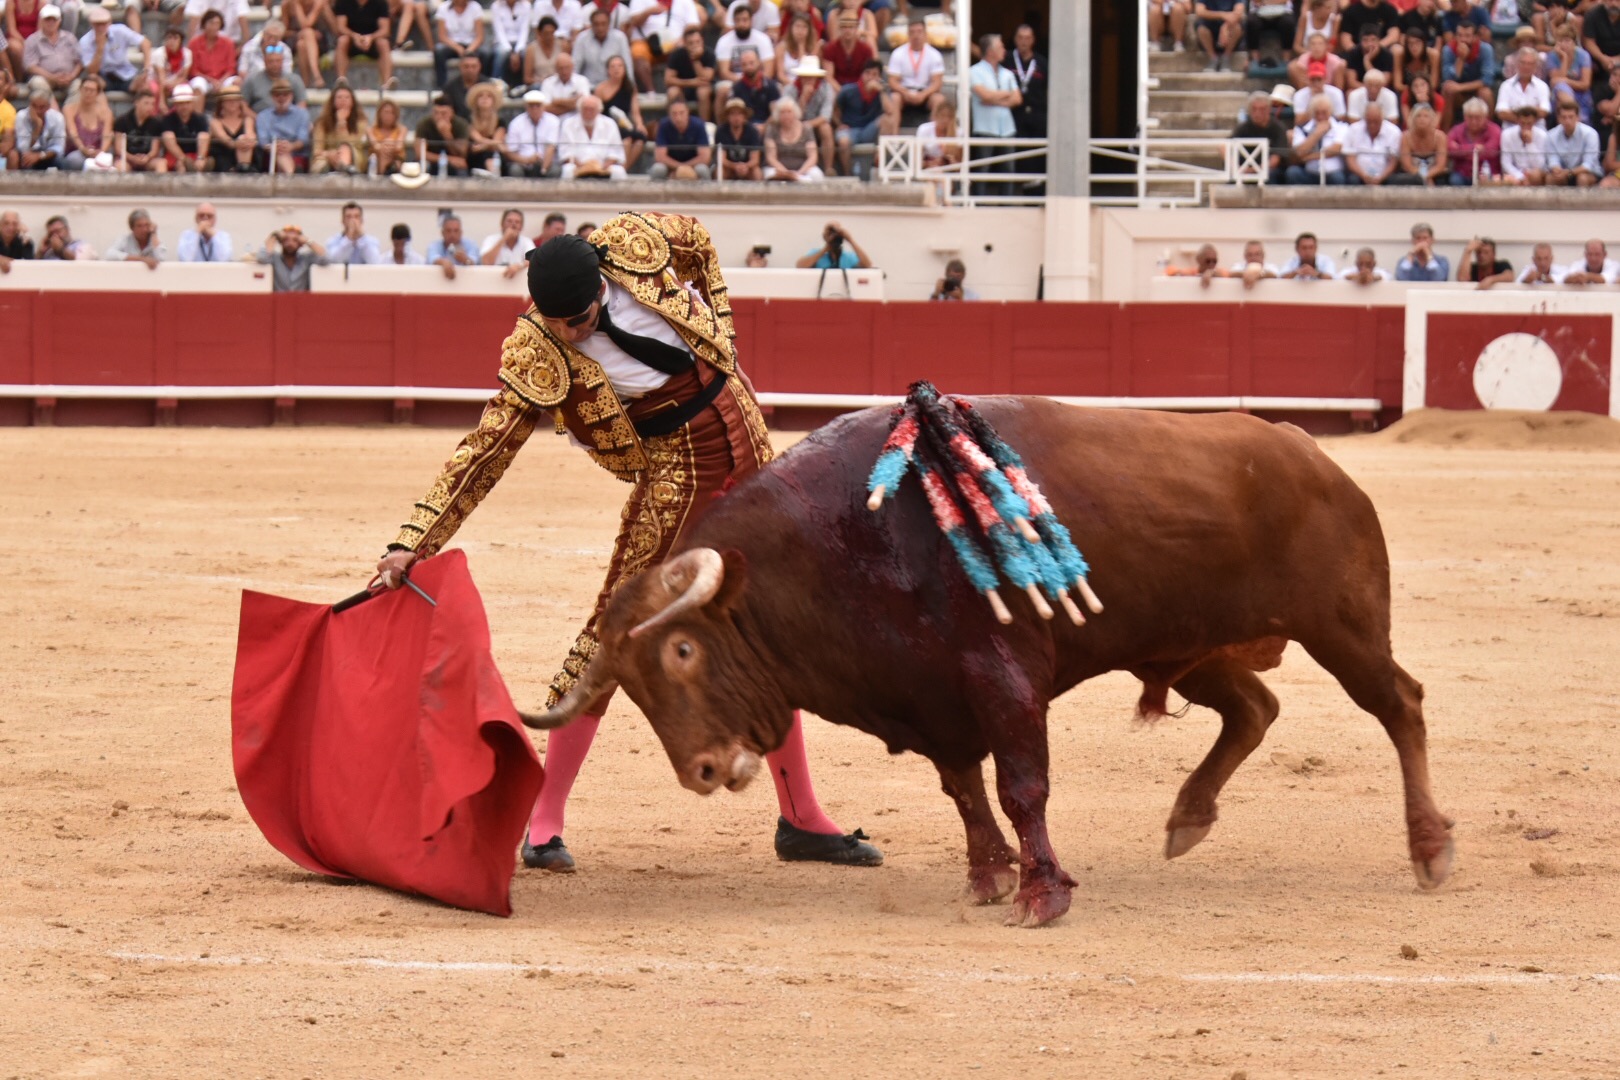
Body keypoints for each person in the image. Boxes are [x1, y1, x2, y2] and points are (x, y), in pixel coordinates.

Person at [373, 213, 884, 874]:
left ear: (600, 287)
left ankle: (803, 820)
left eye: (582, 320)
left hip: (750, 444)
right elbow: (486, 451)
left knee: (770, 629)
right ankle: (544, 823)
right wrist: (414, 539)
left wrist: (723, 333)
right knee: (615, 632)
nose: (573, 334)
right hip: (679, 473)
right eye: (560, 326)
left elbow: (699, 240)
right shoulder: (539, 347)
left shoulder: (632, 247)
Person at [967, 35, 1019, 193]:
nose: (1004, 51)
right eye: (1001, 47)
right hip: (985, 127)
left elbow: (1017, 99)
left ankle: (1007, 205)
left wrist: (995, 99)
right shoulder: (974, 71)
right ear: (991, 51)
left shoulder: (1007, 74)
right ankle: (979, 205)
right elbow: (984, 96)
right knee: (982, 169)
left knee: (1008, 170)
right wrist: (1005, 94)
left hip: (1007, 128)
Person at [885, 17, 942, 129]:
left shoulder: (934, 54)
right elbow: (892, 81)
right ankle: (894, 141)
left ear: (925, 34)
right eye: (912, 32)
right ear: (908, 34)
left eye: (919, 32)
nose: (916, 36)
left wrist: (923, 94)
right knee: (894, 98)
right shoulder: (898, 53)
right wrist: (905, 92)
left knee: (939, 99)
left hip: (926, 93)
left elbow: (937, 82)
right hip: (904, 92)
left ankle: (933, 140)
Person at [78, 5, 147, 92]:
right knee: (92, 81)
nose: (100, 27)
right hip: (103, 76)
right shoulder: (85, 41)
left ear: (109, 22)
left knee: (144, 85)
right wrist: (100, 48)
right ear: (92, 24)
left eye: (103, 23)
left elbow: (145, 43)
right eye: (97, 24)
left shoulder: (120, 31)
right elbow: (92, 71)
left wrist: (147, 68)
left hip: (125, 73)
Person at [557, 92, 627, 178]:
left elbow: (616, 153)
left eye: (592, 109)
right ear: (580, 110)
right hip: (578, 166)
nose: (588, 113)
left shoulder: (609, 124)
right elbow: (566, 153)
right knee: (567, 169)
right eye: (585, 109)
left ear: (599, 110)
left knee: (619, 172)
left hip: (603, 167)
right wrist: (582, 166)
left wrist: (602, 167)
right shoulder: (568, 124)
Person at [595, 53, 646, 169]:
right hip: (607, 125)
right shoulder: (601, 89)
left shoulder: (630, 87)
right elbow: (597, 112)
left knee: (640, 139)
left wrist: (639, 124)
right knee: (627, 140)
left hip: (624, 124)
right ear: (608, 70)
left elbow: (635, 111)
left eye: (619, 66)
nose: (616, 69)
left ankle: (625, 168)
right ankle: (621, 169)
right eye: (613, 67)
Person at [1440, 21, 1495, 127]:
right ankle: (1447, 133)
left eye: (1467, 36)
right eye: (1460, 35)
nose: (1463, 39)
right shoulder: (1448, 49)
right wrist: (1461, 58)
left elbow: (1487, 80)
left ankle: (1488, 130)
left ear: (1475, 37)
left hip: (1476, 91)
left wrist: (1460, 87)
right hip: (1458, 95)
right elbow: (1448, 78)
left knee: (1486, 92)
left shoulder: (1485, 49)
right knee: (1447, 89)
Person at [1286, 92, 1349, 183]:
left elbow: (1336, 148)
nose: (1320, 117)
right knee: (1292, 173)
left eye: (1324, 113)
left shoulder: (1341, 126)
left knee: (1337, 178)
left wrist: (1309, 157)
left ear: (1330, 112)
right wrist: (1316, 134)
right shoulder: (1301, 128)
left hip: (1333, 173)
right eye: (1317, 113)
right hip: (1310, 172)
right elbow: (1299, 152)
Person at [1233, 90, 1290, 184]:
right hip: (1245, 168)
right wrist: (1236, 167)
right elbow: (1224, 146)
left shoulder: (1278, 128)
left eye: (1262, 109)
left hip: (1269, 169)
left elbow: (1276, 159)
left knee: (1271, 176)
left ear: (1269, 109)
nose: (1257, 113)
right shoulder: (1244, 127)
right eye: (1254, 109)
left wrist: (1255, 170)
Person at [650, 93, 711, 178]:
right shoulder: (663, 125)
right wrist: (679, 167)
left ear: (688, 112)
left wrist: (685, 167)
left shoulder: (698, 125)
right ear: (669, 114)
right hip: (670, 165)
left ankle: (707, 191)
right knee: (658, 169)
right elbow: (660, 156)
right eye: (674, 114)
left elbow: (705, 156)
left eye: (681, 113)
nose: (678, 118)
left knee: (702, 169)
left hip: (693, 164)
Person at [257, 77, 312, 173]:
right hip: (271, 154)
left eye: (285, 94)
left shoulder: (302, 114)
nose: (281, 98)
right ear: (272, 96)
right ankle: (291, 178)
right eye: (277, 95)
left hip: (296, 152)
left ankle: (290, 177)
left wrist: (291, 146)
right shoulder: (263, 116)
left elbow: (303, 139)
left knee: (283, 152)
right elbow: (263, 141)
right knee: (280, 152)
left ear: (291, 95)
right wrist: (275, 147)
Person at [334, 0, 393, 87]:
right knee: (342, 40)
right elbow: (341, 27)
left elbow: (385, 29)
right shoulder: (343, 2)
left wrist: (371, 37)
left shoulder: (381, 3)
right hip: (351, 40)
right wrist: (354, 36)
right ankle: (341, 80)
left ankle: (386, 83)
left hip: (373, 41)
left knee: (383, 43)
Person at [60, 72, 112, 170]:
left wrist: (101, 151)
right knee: (74, 160)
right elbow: (72, 132)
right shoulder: (69, 109)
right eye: (85, 89)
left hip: (98, 151)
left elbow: (107, 135)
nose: (88, 93)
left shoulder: (106, 113)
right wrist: (82, 148)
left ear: (97, 93)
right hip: (77, 151)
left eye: (92, 90)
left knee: (105, 161)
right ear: (80, 90)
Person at [253, 225, 328, 291]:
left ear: (300, 244)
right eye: (286, 240)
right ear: (281, 242)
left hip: (302, 304)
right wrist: (275, 236)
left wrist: (308, 241)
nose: (290, 243)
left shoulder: (306, 259)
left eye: (295, 240)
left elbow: (325, 259)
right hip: (279, 304)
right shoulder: (274, 258)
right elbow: (262, 258)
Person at [762, 95, 820, 180]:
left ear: (795, 113)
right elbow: (771, 158)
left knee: (816, 175)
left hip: (802, 170)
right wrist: (786, 173)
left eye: (789, 112)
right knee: (770, 175)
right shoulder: (772, 129)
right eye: (783, 112)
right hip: (779, 170)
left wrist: (799, 173)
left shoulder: (806, 129)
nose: (786, 115)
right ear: (778, 115)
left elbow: (812, 156)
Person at [1390, 101, 1450, 182]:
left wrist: (1427, 176)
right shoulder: (1405, 137)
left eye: (1426, 116)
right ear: (1413, 119)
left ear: (1432, 119)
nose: (1422, 119)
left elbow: (1440, 165)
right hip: (1412, 175)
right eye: (1418, 116)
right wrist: (1422, 178)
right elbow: (1407, 165)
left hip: (1435, 175)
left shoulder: (1440, 137)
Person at [665, 25, 716, 120]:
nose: (694, 46)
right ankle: (676, 123)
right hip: (684, 88)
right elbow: (668, 79)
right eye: (690, 43)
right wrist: (691, 82)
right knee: (672, 92)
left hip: (704, 90)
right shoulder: (677, 54)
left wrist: (695, 59)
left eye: (697, 42)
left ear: (702, 40)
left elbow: (706, 78)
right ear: (684, 43)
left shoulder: (709, 53)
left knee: (703, 91)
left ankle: (704, 126)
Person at [1007, 23, 1047, 147]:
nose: (1024, 42)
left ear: (1033, 40)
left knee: (1036, 156)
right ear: (1015, 39)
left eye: (1027, 38)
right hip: (1014, 115)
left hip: (1037, 116)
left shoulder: (1042, 62)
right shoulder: (1006, 59)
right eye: (1020, 37)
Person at [1544, 98, 1600, 184]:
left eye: (1571, 117)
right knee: (1551, 178)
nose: (1567, 121)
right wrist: (1557, 170)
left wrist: (1568, 172)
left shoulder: (1590, 134)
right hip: (1563, 172)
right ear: (1558, 118)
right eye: (1564, 117)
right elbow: (1552, 159)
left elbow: (1588, 165)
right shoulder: (1551, 135)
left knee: (1582, 178)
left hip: (1587, 173)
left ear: (1578, 117)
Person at [1343, 101, 1402, 183]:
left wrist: (1381, 177)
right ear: (1364, 118)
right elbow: (1350, 159)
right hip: (1359, 175)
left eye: (1376, 121)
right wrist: (1363, 175)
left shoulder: (1394, 132)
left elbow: (1393, 162)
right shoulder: (1353, 130)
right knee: (1352, 180)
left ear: (1382, 118)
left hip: (1385, 176)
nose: (1372, 125)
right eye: (1369, 121)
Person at [505, 88, 559, 176]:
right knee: (515, 169)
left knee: (555, 170)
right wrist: (527, 160)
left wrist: (543, 169)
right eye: (531, 106)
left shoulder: (553, 121)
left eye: (538, 105)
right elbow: (511, 152)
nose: (535, 109)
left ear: (544, 106)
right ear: (526, 107)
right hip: (523, 162)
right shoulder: (516, 123)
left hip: (545, 162)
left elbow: (551, 147)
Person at [434, 0, 489, 87]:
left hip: (471, 44)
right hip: (451, 44)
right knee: (439, 51)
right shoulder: (443, 8)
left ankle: (483, 86)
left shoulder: (475, 8)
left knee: (486, 53)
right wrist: (457, 48)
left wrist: (469, 50)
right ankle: (442, 87)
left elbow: (480, 37)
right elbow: (442, 36)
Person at [574, 5, 632, 85]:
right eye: (596, 24)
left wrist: (631, 87)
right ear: (591, 25)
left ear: (609, 24)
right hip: (589, 86)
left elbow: (627, 64)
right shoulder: (582, 38)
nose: (600, 28)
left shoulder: (620, 38)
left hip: (613, 87)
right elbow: (575, 65)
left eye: (603, 24)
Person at [1447, 94, 1500, 182]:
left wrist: (1460, 149)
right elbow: (1450, 149)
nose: (1473, 121)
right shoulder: (1457, 129)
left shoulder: (1495, 130)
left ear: (1485, 117)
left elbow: (1490, 151)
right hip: (1462, 173)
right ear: (1464, 117)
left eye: (1477, 118)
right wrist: (1474, 148)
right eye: (1470, 117)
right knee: (1454, 180)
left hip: (1487, 174)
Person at [8, 87, 64, 170]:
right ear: (29, 104)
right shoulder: (21, 116)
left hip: (47, 155)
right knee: (26, 160)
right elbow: (23, 148)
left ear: (48, 107)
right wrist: (37, 127)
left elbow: (59, 147)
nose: (37, 111)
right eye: (34, 106)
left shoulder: (57, 117)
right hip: (27, 154)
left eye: (41, 107)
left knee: (61, 161)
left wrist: (39, 156)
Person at [114, 87, 168, 173]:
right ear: (136, 103)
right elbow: (118, 148)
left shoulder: (156, 123)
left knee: (161, 163)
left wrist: (147, 157)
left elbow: (155, 149)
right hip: (127, 158)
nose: (150, 107)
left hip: (147, 159)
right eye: (146, 103)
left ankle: (161, 186)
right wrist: (133, 158)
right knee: (120, 165)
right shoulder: (122, 121)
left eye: (152, 104)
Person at [160, 82, 211, 171]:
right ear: (175, 104)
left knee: (204, 137)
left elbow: (204, 137)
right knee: (181, 166)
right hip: (175, 156)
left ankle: (200, 163)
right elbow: (168, 140)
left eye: (187, 103)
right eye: (181, 103)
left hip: (196, 154)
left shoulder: (200, 119)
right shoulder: (168, 119)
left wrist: (200, 158)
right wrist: (184, 159)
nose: (184, 107)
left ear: (192, 104)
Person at [415, 93, 470, 175]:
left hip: (453, 163)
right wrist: (449, 159)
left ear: (451, 112)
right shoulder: (424, 124)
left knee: (461, 170)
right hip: (432, 161)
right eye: (436, 113)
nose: (439, 117)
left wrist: (447, 135)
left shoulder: (461, 124)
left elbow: (461, 154)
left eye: (443, 113)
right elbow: (420, 153)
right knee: (421, 166)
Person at [244, 44, 307, 113]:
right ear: (264, 62)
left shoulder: (295, 79)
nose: (275, 64)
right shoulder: (252, 80)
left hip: (289, 120)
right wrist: (258, 119)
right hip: (259, 119)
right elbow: (243, 105)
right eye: (271, 61)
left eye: (278, 61)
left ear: (282, 61)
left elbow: (301, 105)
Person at [209, 86, 258, 172]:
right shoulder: (215, 122)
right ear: (222, 103)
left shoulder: (247, 120)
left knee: (245, 139)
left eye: (235, 100)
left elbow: (250, 134)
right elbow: (223, 137)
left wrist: (249, 141)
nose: (232, 103)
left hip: (246, 151)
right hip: (224, 155)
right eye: (228, 100)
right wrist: (236, 144)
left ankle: (244, 167)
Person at [1497, 44, 1551, 122]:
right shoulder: (1506, 86)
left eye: (1530, 64)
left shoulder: (1542, 86)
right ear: (1517, 64)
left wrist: (1515, 112)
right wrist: (1527, 119)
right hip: (1511, 130)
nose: (1526, 67)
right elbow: (1502, 113)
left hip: (1536, 130)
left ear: (1535, 66)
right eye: (1523, 63)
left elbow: (1544, 111)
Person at [819, 10, 872, 87]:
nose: (847, 31)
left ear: (857, 28)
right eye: (844, 27)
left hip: (858, 89)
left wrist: (853, 93)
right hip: (836, 87)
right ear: (839, 28)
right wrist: (842, 93)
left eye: (851, 27)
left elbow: (867, 75)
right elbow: (829, 77)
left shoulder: (866, 50)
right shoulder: (830, 48)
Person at [1499, 102, 1549, 183]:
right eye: (1523, 123)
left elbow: (1540, 165)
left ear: (1534, 121)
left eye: (1529, 123)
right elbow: (1505, 163)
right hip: (1515, 175)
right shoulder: (1507, 135)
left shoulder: (1542, 136)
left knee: (1535, 175)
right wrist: (1520, 177)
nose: (1526, 126)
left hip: (1534, 174)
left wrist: (1530, 144)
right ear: (1518, 121)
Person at [188, 9, 237, 91]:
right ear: (204, 24)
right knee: (198, 85)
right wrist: (212, 81)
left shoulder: (228, 43)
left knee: (236, 82)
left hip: (223, 79)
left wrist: (220, 81)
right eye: (211, 23)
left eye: (217, 23)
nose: (214, 27)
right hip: (203, 79)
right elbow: (194, 70)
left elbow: (231, 68)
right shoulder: (194, 43)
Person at [716, 94, 763, 179]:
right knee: (719, 171)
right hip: (728, 167)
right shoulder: (721, 131)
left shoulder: (752, 131)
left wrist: (745, 166)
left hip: (747, 168)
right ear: (727, 117)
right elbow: (721, 158)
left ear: (744, 116)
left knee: (757, 172)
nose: (736, 118)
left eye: (739, 114)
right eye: (732, 114)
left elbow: (755, 159)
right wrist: (735, 166)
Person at [540, 50, 592, 123]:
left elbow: (583, 105)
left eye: (567, 67)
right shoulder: (547, 83)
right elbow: (546, 109)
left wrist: (557, 101)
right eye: (561, 68)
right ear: (556, 69)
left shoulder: (582, 81)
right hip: (554, 124)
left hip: (576, 123)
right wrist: (573, 103)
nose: (564, 71)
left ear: (572, 67)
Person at [465, 80, 507, 171]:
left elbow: (497, 141)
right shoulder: (469, 121)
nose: (485, 98)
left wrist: (482, 146)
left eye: (488, 96)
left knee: (493, 156)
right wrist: (492, 144)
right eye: (481, 96)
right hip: (475, 157)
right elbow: (478, 139)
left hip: (494, 155)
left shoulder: (500, 121)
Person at [1194, 0, 1245, 72]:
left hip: (1229, 28)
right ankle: (1213, 58)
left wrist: (1225, 27)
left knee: (1237, 27)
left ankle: (1226, 57)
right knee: (1201, 26)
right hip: (1211, 25)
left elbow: (1238, 12)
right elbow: (1200, 11)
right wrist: (1222, 15)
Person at [480, 207, 533, 278]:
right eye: (509, 221)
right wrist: (504, 239)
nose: (513, 225)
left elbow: (533, 260)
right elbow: (486, 262)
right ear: (502, 224)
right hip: (493, 281)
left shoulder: (526, 241)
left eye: (517, 222)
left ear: (521, 227)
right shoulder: (490, 239)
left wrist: (519, 266)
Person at [795, 220, 871, 269]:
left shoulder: (847, 257)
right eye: (830, 232)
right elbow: (800, 266)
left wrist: (850, 240)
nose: (833, 235)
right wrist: (826, 248)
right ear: (824, 236)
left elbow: (867, 265)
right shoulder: (816, 254)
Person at [326, 200, 381, 265]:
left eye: (356, 217)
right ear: (343, 220)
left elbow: (375, 262)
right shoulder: (333, 241)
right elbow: (334, 261)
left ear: (361, 220)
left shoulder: (372, 241)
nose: (353, 221)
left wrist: (361, 237)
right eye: (348, 217)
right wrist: (349, 239)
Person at [489, 0, 530, 88]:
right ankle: (496, 85)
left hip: (520, 42)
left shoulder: (526, 6)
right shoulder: (496, 6)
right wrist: (511, 51)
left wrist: (518, 51)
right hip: (501, 42)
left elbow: (524, 30)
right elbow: (499, 31)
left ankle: (526, 86)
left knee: (528, 52)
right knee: (502, 53)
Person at [426, 212, 478, 279]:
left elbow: (474, 261)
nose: (452, 235)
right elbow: (432, 258)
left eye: (456, 231)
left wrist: (465, 260)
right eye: (448, 231)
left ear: (461, 232)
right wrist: (444, 262)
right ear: (442, 233)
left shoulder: (470, 244)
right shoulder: (434, 245)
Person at [366, 98, 409, 175]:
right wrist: (386, 145)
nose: (388, 116)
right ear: (379, 114)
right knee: (383, 153)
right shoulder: (370, 130)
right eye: (386, 112)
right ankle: (383, 178)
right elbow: (375, 146)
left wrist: (387, 144)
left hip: (396, 159)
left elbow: (399, 147)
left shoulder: (402, 129)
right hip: (376, 160)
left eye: (392, 113)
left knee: (388, 151)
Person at [523, 14, 563, 90]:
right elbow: (527, 78)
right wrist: (543, 82)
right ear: (539, 33)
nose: (549, 37)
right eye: (546, 33)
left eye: (552, 33)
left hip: (558, 84)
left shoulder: (562, 46)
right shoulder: (531, 49)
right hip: (539, 84)